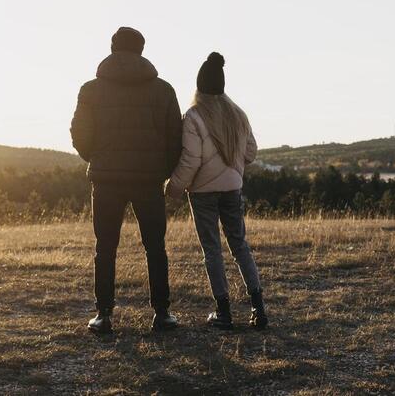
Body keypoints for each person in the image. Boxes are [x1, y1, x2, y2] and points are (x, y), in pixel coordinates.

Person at [70, 27, 182, 334]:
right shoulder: (163, 90)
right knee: (155, 246)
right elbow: (176, 137)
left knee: (105, 246)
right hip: (149, 179)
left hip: (106, 179)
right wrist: (163, 169)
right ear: (142, 50)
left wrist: (97, 158)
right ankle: (162, 313)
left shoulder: (90, 89)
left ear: (112, 48)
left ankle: (103, 315)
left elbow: (79, 133)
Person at [166, 52, 269, 330]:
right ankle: (259, 308)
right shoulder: (237, 114)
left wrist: (174, 187)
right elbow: (251, 152)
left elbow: (191, 159)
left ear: (199, 86)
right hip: (232, 189)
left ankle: (223, 312)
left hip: (203, 193)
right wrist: (233, 166)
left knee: (212, 249)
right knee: (240, 245)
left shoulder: (194, 115)